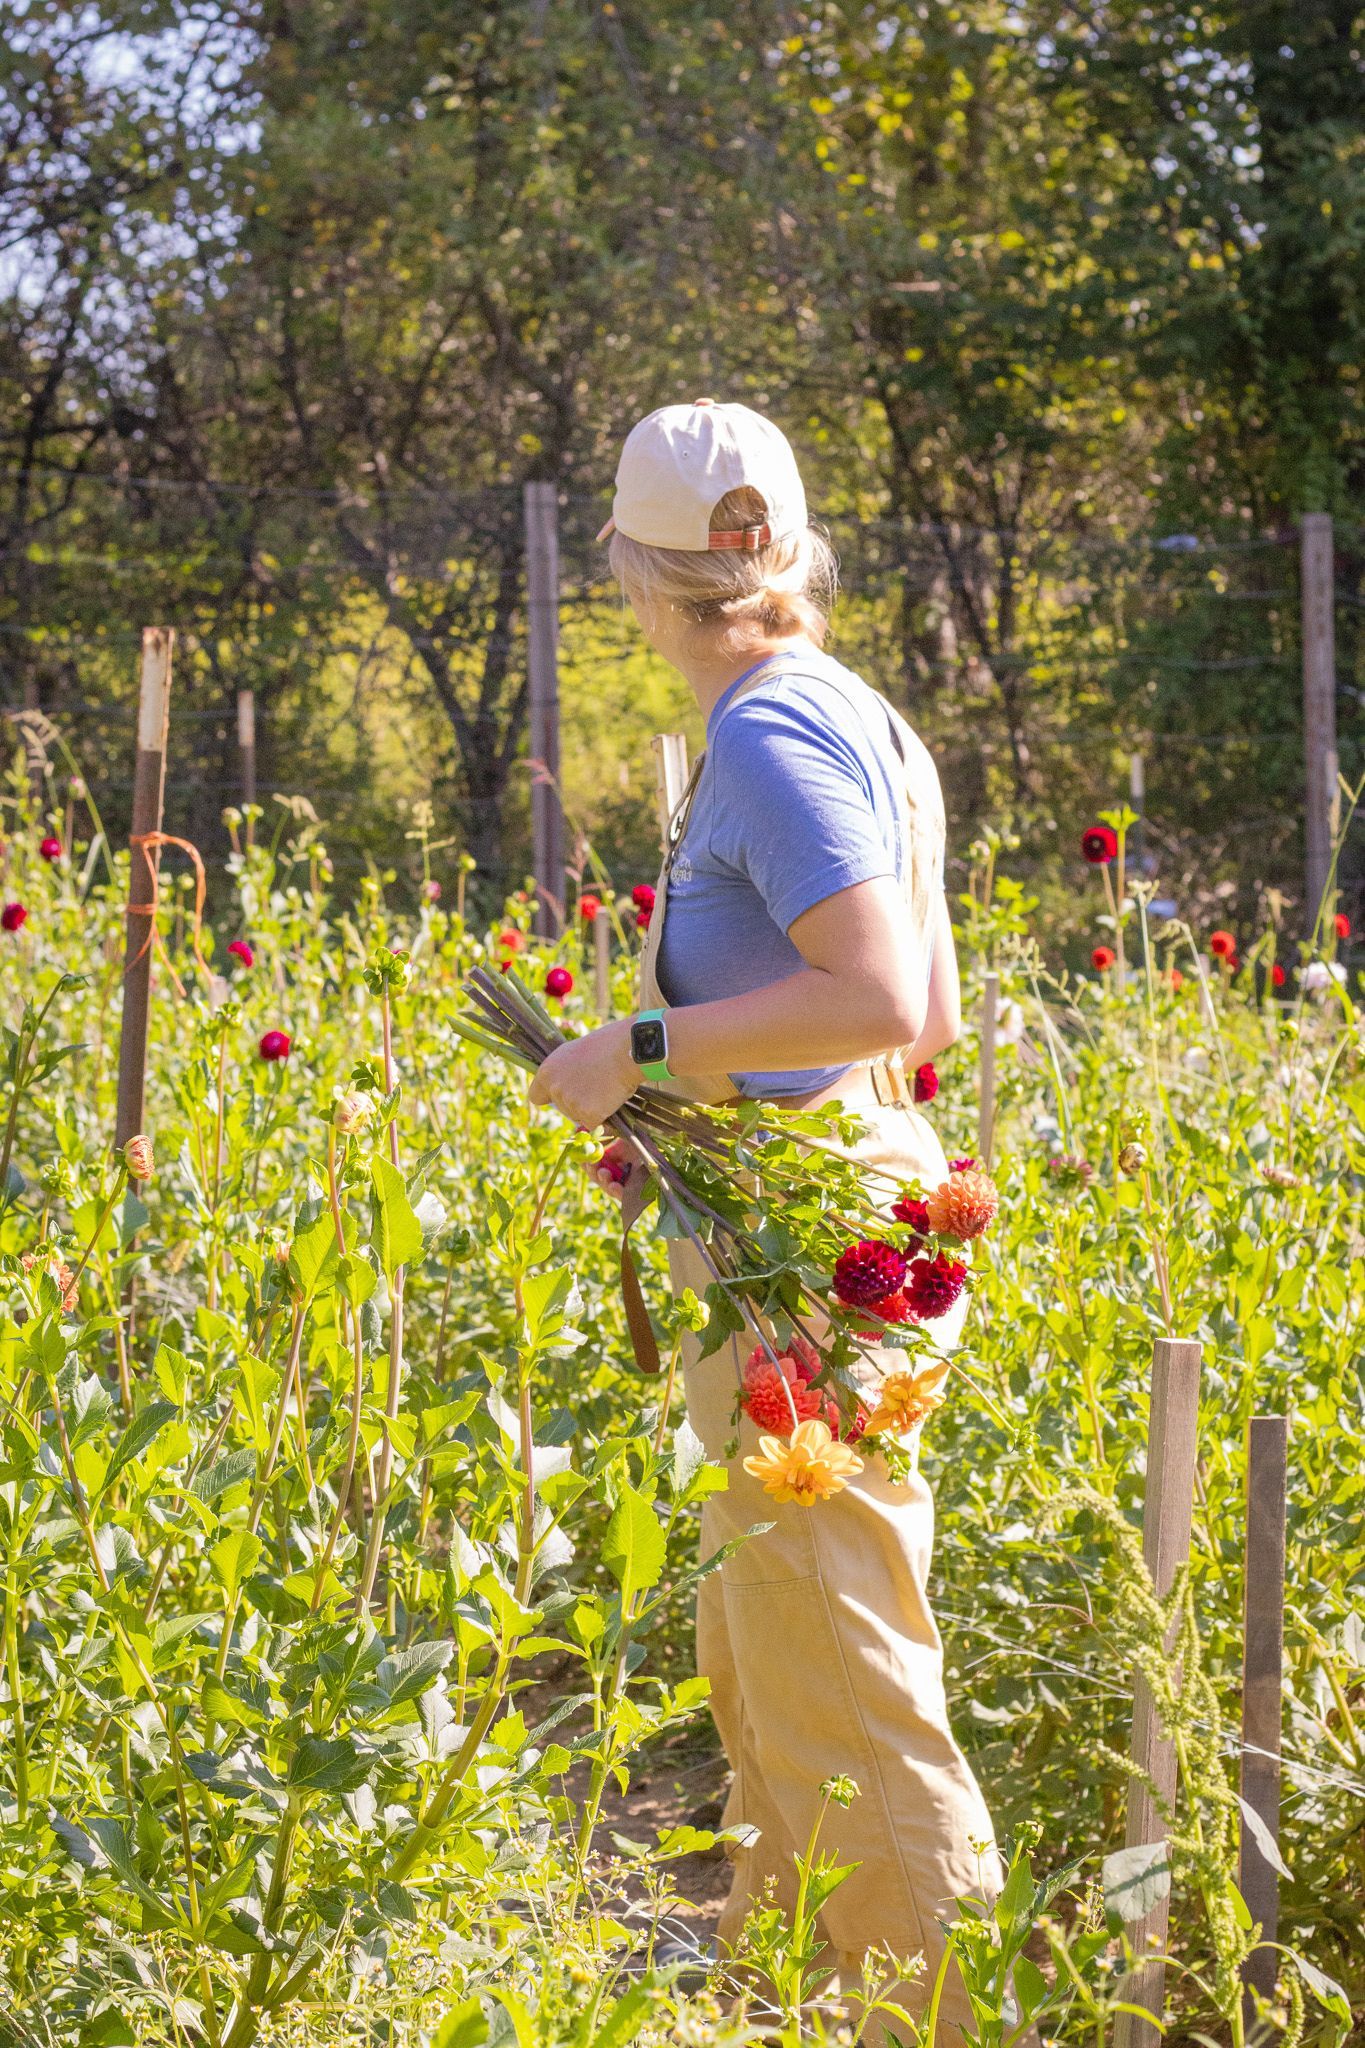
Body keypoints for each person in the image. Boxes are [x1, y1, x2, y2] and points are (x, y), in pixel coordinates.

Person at [529, 399, 1001, 2040]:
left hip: (807, 1248)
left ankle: (929, 2015)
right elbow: (926, 1017)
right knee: (779, 1641)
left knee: (842, 1679)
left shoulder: (764, 735)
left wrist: (634, 1051)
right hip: (846, 1198)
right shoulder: (854, 711)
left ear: (630, 574)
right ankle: (790, 1997)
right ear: (784, 552)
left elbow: (870, 991)